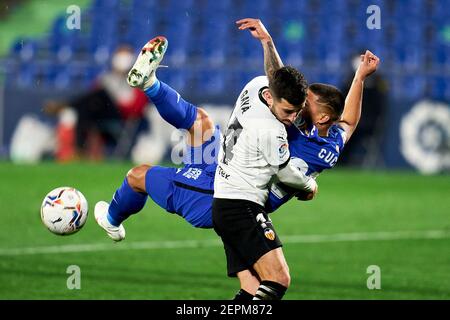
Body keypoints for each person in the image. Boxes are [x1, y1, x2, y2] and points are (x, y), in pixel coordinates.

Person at [94, 19, 379, 300]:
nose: (302, 102)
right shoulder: (327, 146)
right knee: (200, 122)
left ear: (322, 116)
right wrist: (359, 78)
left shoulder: (279, 125)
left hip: (218, 195)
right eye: (301, 99)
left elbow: (278, 81)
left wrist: (267, 42)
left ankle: (111, 219)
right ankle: (151, 84)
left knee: (137, 176)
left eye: (307, 102)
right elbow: (348, 121)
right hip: (223, 167)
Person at [45, 45, 149, 160]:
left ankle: (65, 105)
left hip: (119, 114)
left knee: (100, 94)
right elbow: (92, 98)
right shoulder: (107, 77)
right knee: (87, 106)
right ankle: (79, 151)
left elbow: (137, 108)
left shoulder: (138, 80)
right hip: (100, 113)